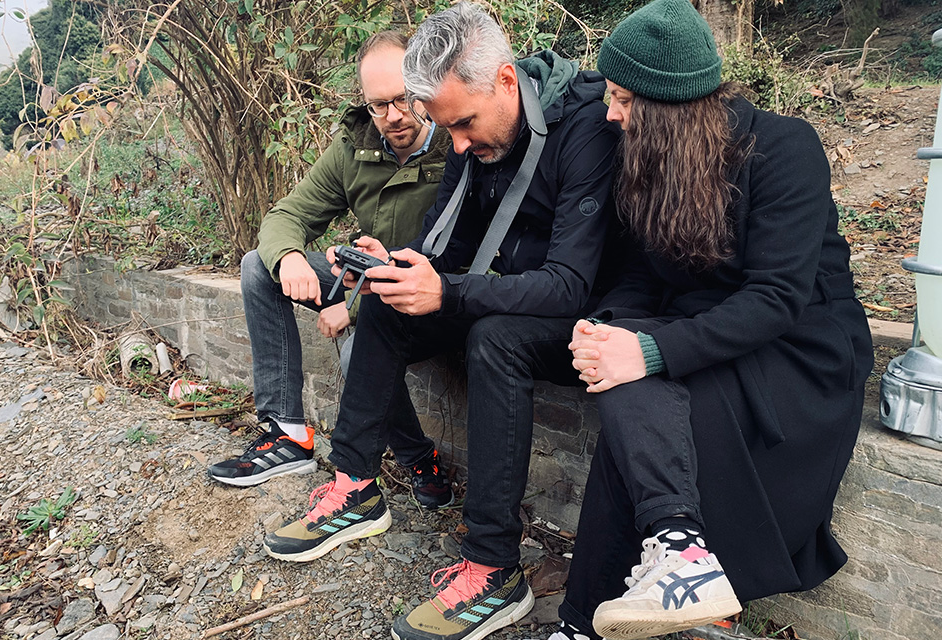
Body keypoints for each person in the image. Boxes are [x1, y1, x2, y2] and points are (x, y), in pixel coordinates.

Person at [260, 4, 621, 640]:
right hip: (493, 293)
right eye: (446, 126)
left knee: (493, 336)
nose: (454, 144)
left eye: (463, 125)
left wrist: (449, 291)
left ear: (506, 82)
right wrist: (404, 267)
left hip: (577, 316)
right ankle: (355, 483)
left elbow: (570, 284)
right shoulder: (469, 131)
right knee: (385, 296)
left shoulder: (586, 127)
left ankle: (494, 568)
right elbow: (446, 256)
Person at [543, 1, 875, 639]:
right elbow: (641, 275)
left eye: (621, 99)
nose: (609, 114)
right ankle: (676, 559)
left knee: (634, 384)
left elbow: (778, 297)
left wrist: (647, 353)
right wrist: (608, 329)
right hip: (706, 326)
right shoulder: (645, 157)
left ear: (668, 107)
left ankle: (588, 618)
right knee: (622, 375)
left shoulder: (786, 148)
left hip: (798, 349)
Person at [206, 31, 456, 510]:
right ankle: (287, 433)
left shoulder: (456, 143)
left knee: (357, 351)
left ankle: (418, 458)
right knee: (259, 266)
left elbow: (464, 257)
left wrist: (354, 305)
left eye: (403, 98)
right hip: (368, 278)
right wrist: (293, 258)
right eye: (378, 105)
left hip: (435, 292)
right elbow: (287, 215)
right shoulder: (356, 146)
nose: (394, 116)